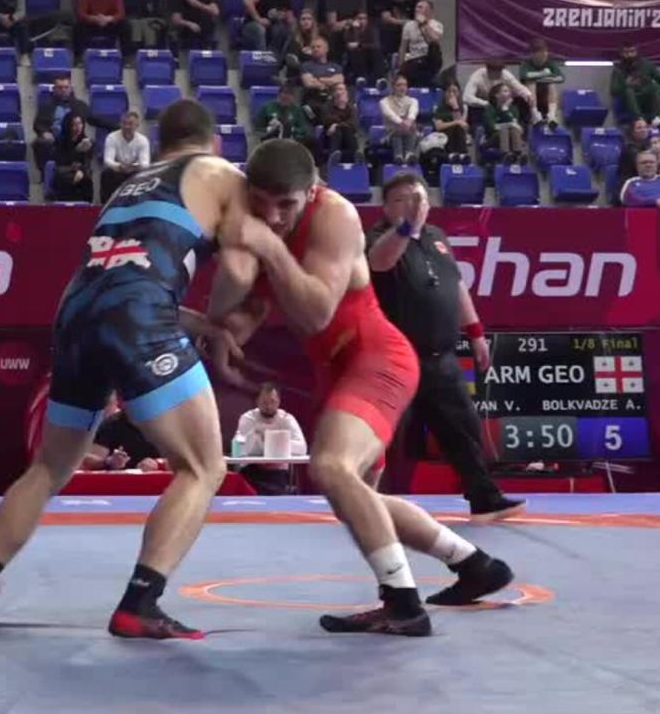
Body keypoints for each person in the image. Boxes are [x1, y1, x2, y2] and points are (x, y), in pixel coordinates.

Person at [0, 99, 256, 640]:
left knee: (49, 467)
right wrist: (227, 316)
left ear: (160, 145)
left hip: (76, 314)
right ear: (215, 143)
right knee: (204, 467)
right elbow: (236, 265)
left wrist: (200, 325)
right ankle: (141, 602)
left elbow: (125, 281)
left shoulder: (128, 186)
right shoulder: (219, 172)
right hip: (137, 315)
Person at [205, 141, 515, 636]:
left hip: (376, 358)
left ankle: (403, 604)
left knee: (332, 468)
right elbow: (256, 305)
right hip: (336, 370)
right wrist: (226, 330)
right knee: (357, 498)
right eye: (262, 202)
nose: (274, 216)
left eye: (286, 204)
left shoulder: (335, 216)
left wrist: (265, 244)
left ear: (311, 191)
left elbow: (316, 313)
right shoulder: (262, 222)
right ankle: (474, 564)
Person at [360, 172, 526, 522]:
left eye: (418, 198)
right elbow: (379, 262)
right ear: (386, 207)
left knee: (463, 428)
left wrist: (476, 332)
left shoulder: (437, 237)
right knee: (379, 432)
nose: (413, 205)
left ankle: (484, 498)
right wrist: (406, 228)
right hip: (395, 359)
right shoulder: (379, 237)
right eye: (402, 199)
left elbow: (456, 285)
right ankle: (358, 498)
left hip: (441, 357)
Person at [232, 382, 307, 495]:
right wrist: (254, 435)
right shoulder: (248, 418)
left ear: (279, 402)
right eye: (264, 402)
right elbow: (239, 449)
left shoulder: (286, 419)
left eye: (273, 402)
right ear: (257, 402)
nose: (269, 406)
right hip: (252, 470)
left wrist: (272, 439)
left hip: (277, 472)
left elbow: (302, 448)